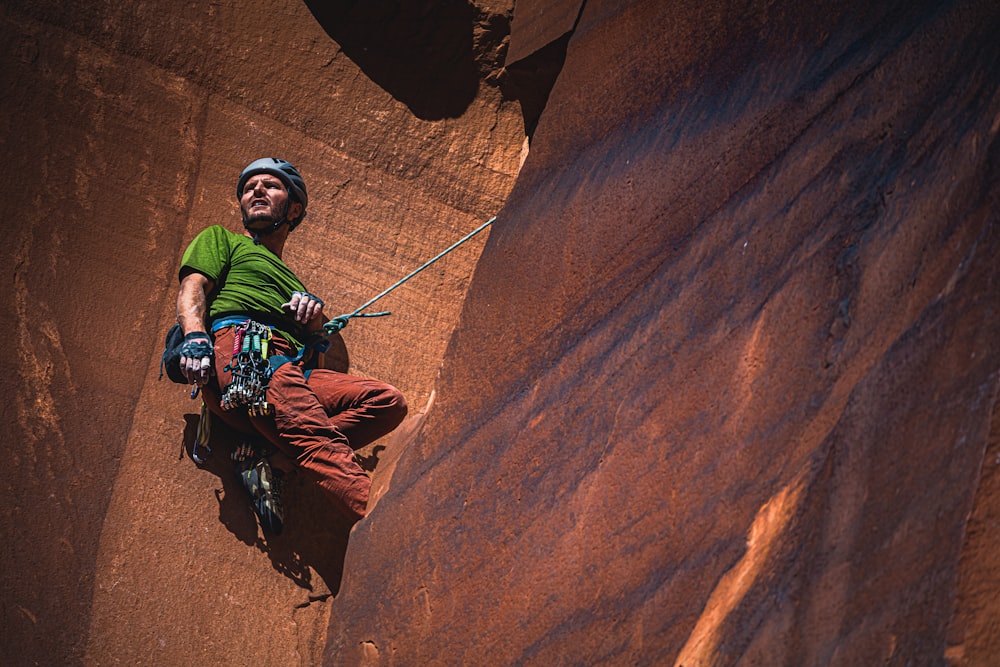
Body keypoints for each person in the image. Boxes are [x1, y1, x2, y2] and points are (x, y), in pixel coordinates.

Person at [174, 157, 407, 533]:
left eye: (270, 185)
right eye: (250, 188)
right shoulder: (223, 240)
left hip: (288, 370)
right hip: (242, 351)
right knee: (317, 439)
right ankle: (388, 527)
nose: (257, 191)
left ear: (294, 208)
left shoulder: (293, 282)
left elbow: (314, 363)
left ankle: (270, 460)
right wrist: (196, 339)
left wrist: (314, 321)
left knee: (387, 402)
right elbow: (193, 288)